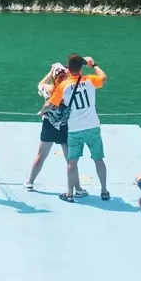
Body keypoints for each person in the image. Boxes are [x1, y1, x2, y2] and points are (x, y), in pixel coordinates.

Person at [56, 53, 109, 202]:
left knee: (72, 162)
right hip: (93, 126)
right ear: (81, 68)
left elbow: (53, 103)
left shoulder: (63, 85)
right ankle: (104, 191)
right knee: (98, 159)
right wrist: (93, 64)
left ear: (69, 68)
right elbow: (103, 77)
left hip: (75, 129)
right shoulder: (90, 80)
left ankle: (70, 194)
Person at [27, 62, 69, 189]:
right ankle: (76, 188)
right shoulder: (69, 90)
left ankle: (29, 182)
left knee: (40, 156)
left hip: (48, 126)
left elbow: (39, 85)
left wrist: (50, 73)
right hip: (64, 127)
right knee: (70, 161)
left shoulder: (47, 89)